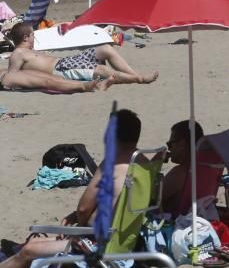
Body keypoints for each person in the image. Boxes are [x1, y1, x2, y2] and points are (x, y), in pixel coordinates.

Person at [0, 109, 145, 268]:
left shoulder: (113, 164)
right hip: (124, 240)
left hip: (97, 244)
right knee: (35, 242)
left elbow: (84, 208)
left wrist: (78, 230)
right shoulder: (144, 164)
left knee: (28, 250)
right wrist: (75, 218)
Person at [4, 23, 157, 87]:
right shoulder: (18, 53)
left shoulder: (30, 51)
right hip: (63, 69)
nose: (34, 38)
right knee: (102, 71)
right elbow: (13, 76)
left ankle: (133, 74)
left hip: (68, 61)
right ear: (25, 38)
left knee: (105, 48)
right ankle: (139, 79)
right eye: (32, 35)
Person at [160, 120, 223, 218]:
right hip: (200, 218)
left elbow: (150, 198)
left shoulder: (180, 172)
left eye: (170, 144)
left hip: (176, 222)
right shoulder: (210, 169)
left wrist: (154, 165)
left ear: (182, 143)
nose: (169, 149)